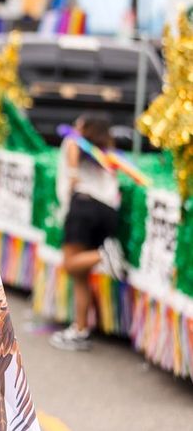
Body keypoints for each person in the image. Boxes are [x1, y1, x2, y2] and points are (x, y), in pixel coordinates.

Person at [49, 113, 126, 351]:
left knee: (70, 263)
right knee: (80, 274)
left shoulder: (74, 141)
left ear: (85, 127)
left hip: (82, 206)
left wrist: (72, 181)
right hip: (108, 212)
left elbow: (72, 172)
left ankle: (105, 256)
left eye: (79, 123)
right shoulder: (107, 154)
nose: (74, 126)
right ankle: (80, 329)